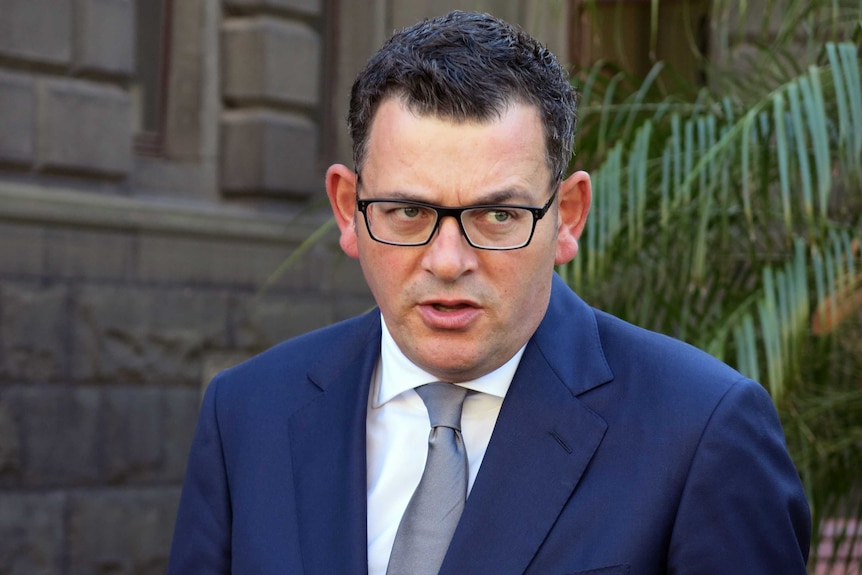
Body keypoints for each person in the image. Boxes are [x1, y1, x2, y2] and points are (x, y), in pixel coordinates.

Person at [168, 10, 811, 574]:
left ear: (568, 217)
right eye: (408, 212)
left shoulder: (702, 431)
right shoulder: (246, 415)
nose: (448, 262)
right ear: (348, 210)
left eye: (497, 216)